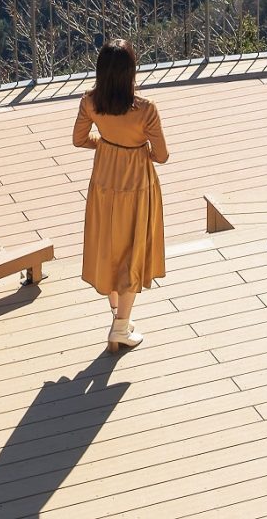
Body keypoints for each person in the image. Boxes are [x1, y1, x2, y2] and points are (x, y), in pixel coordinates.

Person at [72, 38, 167, 350]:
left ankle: (117, 315)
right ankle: (121, 327)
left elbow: (79, 139)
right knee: (132, 252)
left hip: (103, 181)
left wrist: (104, 144)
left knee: (109, 248)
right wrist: (140, 152)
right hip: (137, 184)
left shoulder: (89, 102)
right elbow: (162, 155)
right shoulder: (145, 110)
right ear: (131, 72)